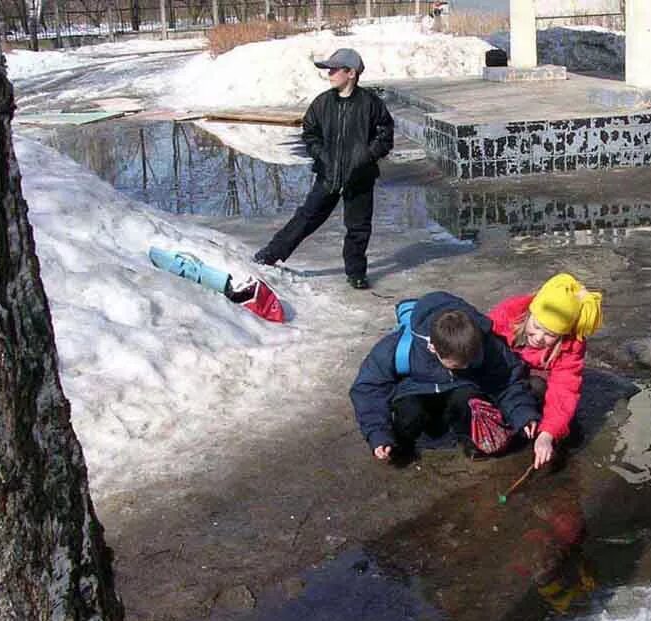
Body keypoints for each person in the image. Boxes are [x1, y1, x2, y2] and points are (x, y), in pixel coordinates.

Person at [253, 48, 394, 290]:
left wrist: (366, 156)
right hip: (328, 176)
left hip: (359, 177)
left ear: (350, 73)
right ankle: (270, 255)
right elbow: (309, 132)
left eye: (334, 69)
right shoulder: (322, 103)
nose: (329, 74)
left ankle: (356, 273)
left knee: (358, 228)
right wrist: (321, 155)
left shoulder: (370, 104)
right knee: (305, 218)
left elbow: (385, 135)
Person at [351, 292, 541, 461]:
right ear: (433, 348)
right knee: (409, 414)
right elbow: (368, 388)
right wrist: (378, 434)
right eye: (459, 365)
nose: (466, 366)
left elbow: (508, 380)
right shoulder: (397, 348)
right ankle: (406, 444)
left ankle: (471, 441)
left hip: (463, 392)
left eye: (470, 362)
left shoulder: (486, 343)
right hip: (416, 391)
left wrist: (522, 414)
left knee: (467, 398)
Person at [488, 273, 603, 469]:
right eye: (536, 326)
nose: (539, 338)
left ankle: (541, 423)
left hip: (535, 379)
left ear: (562, 335)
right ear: (530, 313)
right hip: (508, 371)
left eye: (550, 334)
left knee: (538, 388)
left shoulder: (571, 346)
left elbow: (564, 389)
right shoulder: (509, 313)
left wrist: (548, 433)